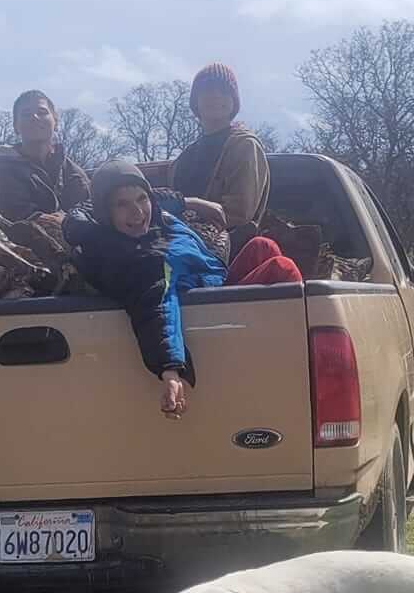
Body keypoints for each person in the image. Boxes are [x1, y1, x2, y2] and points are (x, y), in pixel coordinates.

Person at [70, 162, 293, 419]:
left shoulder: (154, 219)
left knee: (261, 247)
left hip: (213, 280)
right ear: (104, 213)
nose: (137, 211)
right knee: (281, 268)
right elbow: (156, 305)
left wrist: (193, 202)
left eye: (142, 198)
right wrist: (171, 369)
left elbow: (160, 199)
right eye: (122, 204)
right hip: (210, 302)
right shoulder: (139, 257)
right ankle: (292, 355)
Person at [169, 63, 270, 228]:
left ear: (233, 101)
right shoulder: (183, 159)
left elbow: (237, 214)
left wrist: (190, 207)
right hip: (177, 237)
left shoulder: (244, 146)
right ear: (196, 102)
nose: (215, 96)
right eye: (207, 91)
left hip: (223, 243)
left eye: (224, 91)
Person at [0, 89, 91, 221]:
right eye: (26, 114)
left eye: (42, 112)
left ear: (56, 122)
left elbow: (90, 211)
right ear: (16, 126)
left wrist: (70, 221)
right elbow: (16, 218)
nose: (34, 117)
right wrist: (64, 222)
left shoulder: (74, 173)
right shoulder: (1, 170)